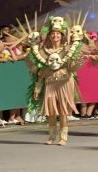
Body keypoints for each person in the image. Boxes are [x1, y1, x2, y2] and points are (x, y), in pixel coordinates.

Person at [13, 15, 85, 146]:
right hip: (50, 82)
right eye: (53, 33)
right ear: (49, 35)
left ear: (62, 35)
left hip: (64, 82)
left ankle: (63, 137)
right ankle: (52, 136)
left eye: (58, 33)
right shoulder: (42, 51)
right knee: (51, 111)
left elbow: (72, 68)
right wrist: (38, 87)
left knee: (63, 111)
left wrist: (77, 63)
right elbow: (39, 71)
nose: (55, 36)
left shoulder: (69, 49)